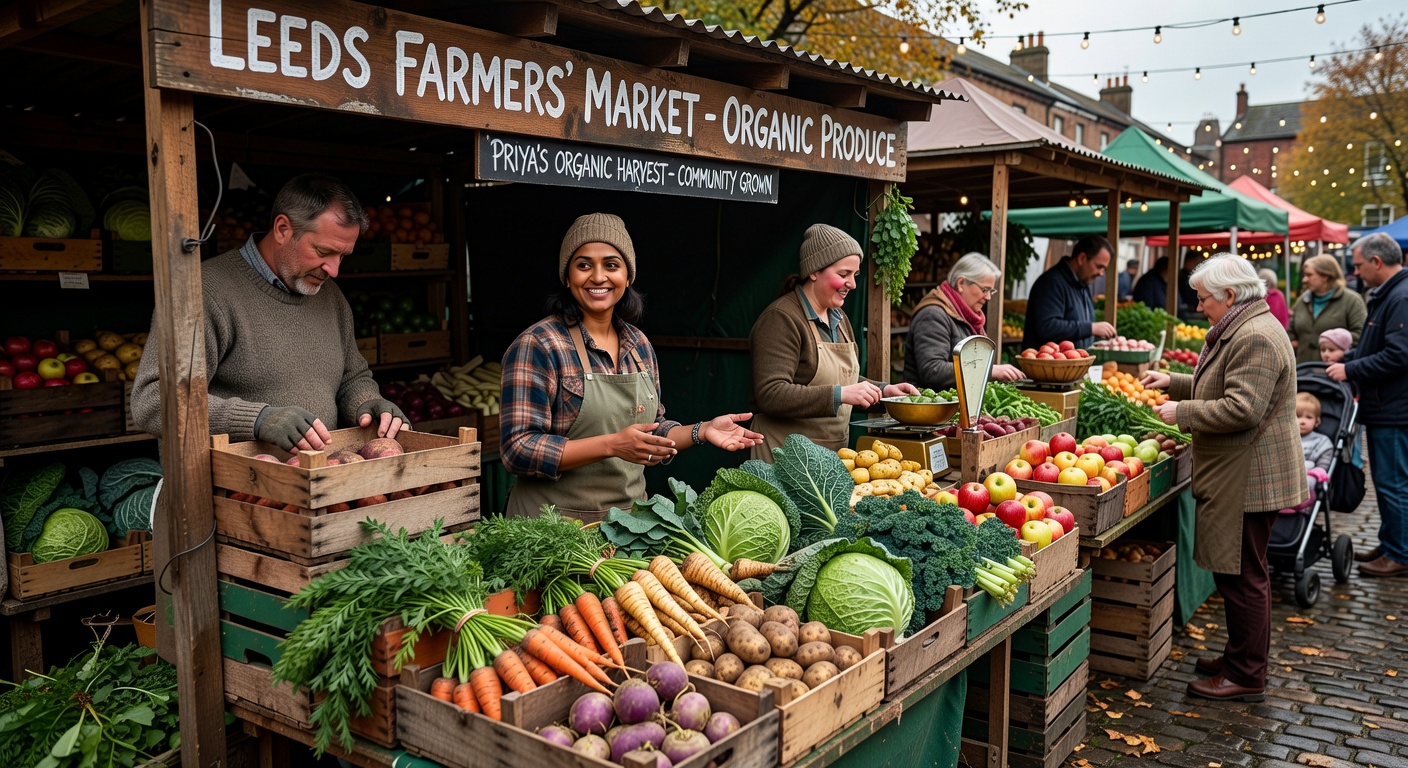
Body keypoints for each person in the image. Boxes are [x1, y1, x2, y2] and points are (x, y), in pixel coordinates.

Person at [499, 214, 761, 521]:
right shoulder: (539, 345)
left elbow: (654, 429)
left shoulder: (638, 344)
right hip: (551, 529)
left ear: (628, 276)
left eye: (611, 265)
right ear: (567, 277)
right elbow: (517, 450)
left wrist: (701, 431)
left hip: (628, 526)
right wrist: (612, 445)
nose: (598, 277)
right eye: (584, 265)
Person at [131, 173, 406, 452]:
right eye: (323, 251)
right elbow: (154, 401)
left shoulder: (331, 297)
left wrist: (367, 403)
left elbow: (350, 377)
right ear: (283, 229)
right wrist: (257, 420)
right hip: (231, 489)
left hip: (320, 482)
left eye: (343, 256)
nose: (334, 270)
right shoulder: (204, 292)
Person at [1140, 254, 1303, 702]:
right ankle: (1238, 657)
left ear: (1230, 296)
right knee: (1238, 573)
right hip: (1242, 469)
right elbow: (1225, 384)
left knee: (1244, 576)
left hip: (1250, 474)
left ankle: (1247, 674)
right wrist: (1173, 382)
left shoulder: (1254, 336)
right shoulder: (1246, 326)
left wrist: (1182, 412)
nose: (1198, 306)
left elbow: (1242, 408)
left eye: (1203, 298)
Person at [750, 223, 918, 456]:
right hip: (782, 455)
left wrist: (885, 392)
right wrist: (840, 394)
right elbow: (771, 393)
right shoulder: (781, 319)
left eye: (854, 275)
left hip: (830, 457)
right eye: (843, 274)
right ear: (814, 271)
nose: (853, 284)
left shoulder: (839, 318)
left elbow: (842, 378)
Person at [1326, 232, 1408, 577]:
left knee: (1392, 483)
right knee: (1390, 481)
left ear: (1377, 262)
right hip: (1386, 406)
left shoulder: (1400, 297)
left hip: (1394, 409)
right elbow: (1380, 348)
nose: (1355, 272)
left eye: (1359, 265)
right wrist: (1351, 356)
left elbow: (1399, 354)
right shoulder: (1390, 294)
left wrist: (1350, 368)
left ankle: (1399, 554)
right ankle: (1392, 543)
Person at [903, 253, 1023, 391]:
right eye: (985, 290)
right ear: (961, 283)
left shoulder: (966, 316)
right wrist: (987, 370)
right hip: (930, 407)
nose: (988, 297)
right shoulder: (932, 315)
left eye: (991, 291)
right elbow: (933, 371)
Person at [1021, 235, 1118, 351]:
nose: (1101, 273)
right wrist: (1090, 328)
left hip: (1074, 367)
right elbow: (1047, 326)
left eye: (1104, 269)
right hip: (1048, 367)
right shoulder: (1052, 283)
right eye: (1099, 266)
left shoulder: (1083, 285)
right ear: (1082, 258)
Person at [1288, 254, 1367, 364]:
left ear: (1326, 275)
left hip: (1336, 373)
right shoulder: (1302, 301)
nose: (1304, 280)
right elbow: (1290, 332)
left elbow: (1362, 335)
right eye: (1304, 275)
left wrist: (1333, 344)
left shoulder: (1352, 301)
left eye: (1309, 275)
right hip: (1304, 371)